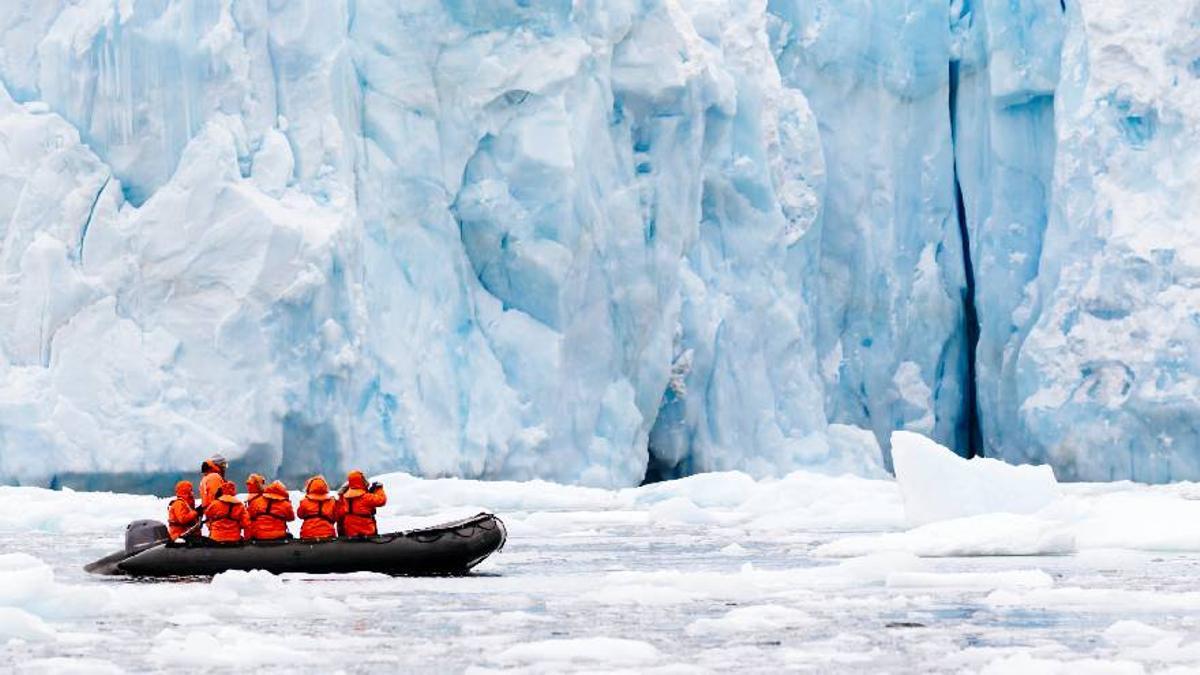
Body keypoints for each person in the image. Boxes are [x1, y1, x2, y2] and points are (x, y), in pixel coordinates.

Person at [336, 470, 387, 538]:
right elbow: (382, 500)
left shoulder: (345, 497)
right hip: (366, 531)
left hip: (350, 533)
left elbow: (340, 511)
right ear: (361, 480)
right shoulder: (366, 497)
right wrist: (379, 489)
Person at [297, 475, 337, 540]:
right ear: (325, 487)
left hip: (308, 534)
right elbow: (335, 517)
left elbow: (300, 515)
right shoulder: (332, 501)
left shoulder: (305, 501)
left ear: (310, 487)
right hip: (328, 534)